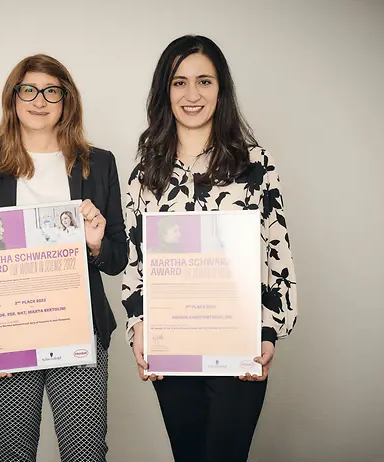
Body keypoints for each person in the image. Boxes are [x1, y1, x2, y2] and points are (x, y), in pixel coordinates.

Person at [122, 35, 298, 462]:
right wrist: (138, 328)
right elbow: (136, 262)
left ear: (221, 90)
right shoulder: (145, 173)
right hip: (173, 341)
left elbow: (278, 249)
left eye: (205, 81)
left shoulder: (255, 163)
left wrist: (269, 330)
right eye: (179, 82)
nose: (192, 94)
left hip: (239, 341)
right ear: (166, 91)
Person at [0, 54, 127, 462]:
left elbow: (117, 258)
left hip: (80, 332)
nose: (39, 100)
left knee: (85, 454)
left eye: (52, 91)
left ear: (67, 100)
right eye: (28, 89)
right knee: (12, 454)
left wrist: (97, 243)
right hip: (7, 332)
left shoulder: (98, 163)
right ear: (13, 97)